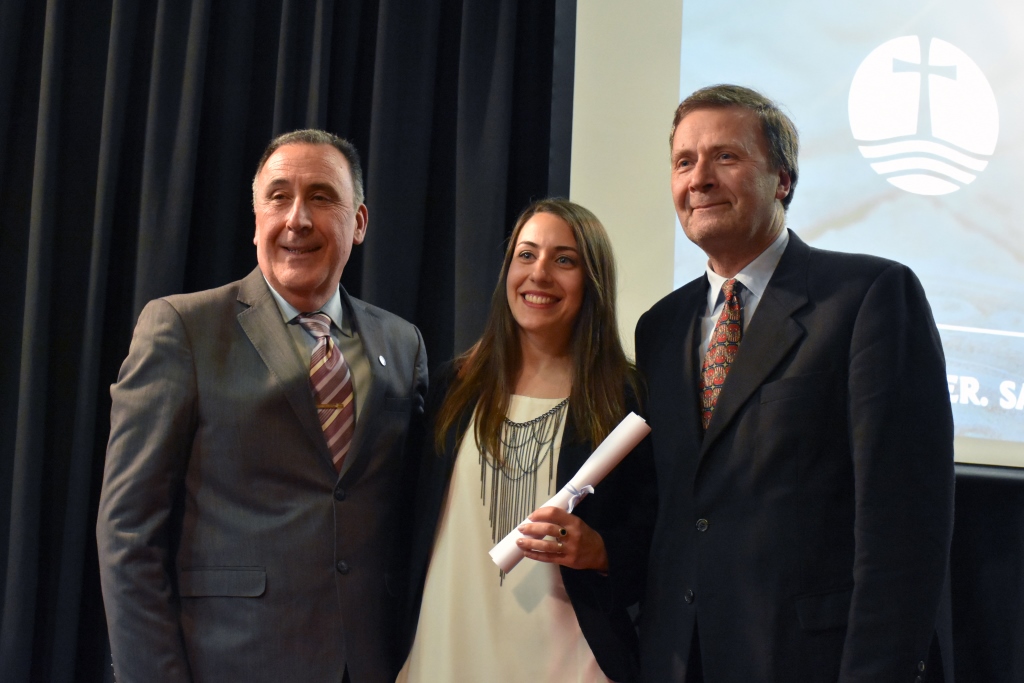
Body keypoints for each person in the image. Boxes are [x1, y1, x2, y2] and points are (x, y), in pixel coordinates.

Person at [634, 85, 955, 682]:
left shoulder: (868, 298)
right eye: (684, 162)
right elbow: (677, 512)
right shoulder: (660, 328)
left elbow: (904, 526)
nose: (698, 179)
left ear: (782, 179)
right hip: (681, 661)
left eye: (725, 157)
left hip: (812, 661)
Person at [96, 129, 428, 683]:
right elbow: (128, 535)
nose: (297, 218)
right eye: (278, 197)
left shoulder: (402, 343)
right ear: (256, 220)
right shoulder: (183, 328)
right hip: (227, 662)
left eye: (322, 197)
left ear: (361, 223)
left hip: (371, 664)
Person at [399, 199, 655, 683]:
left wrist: (599, 550)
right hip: (448, 651)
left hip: (570, 661)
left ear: (592, 281)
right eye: (526, 254)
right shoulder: (452, 387)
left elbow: (658, 539)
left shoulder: (626, 399)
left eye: (564, 260)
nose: (539, 274)